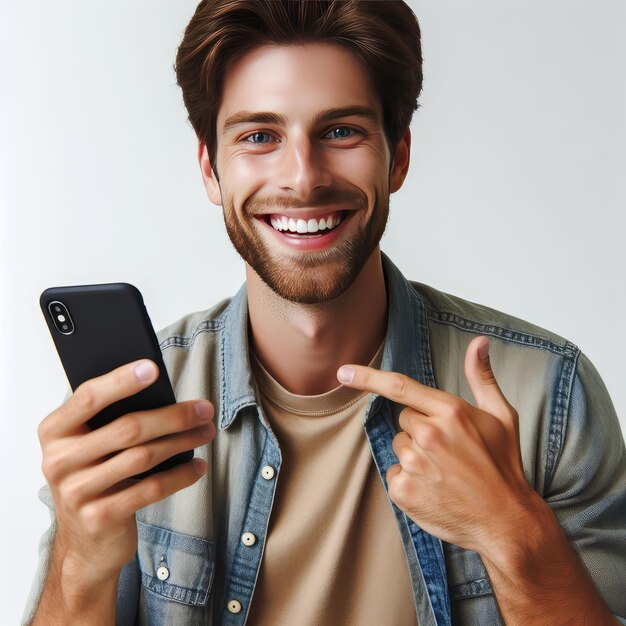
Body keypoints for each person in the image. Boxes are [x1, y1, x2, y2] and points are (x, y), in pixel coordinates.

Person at [23, 1, 625, 624]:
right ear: (211, 169)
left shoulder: (546, 396)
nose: (303, 178)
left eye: (341, 131)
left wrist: (512, 532)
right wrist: (80, 560)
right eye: (260, 136)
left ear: (397, 157)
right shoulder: (134, 409)